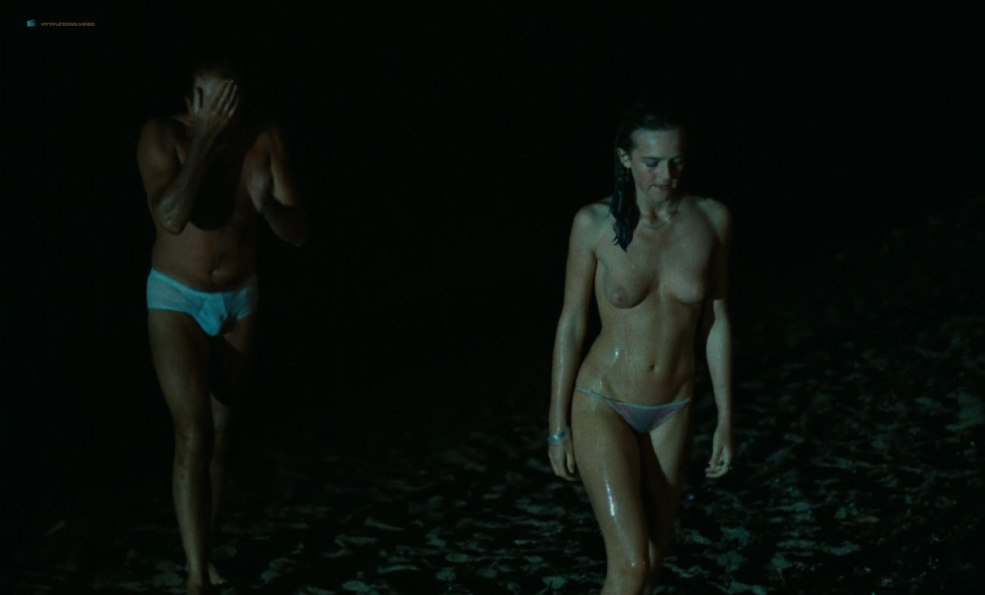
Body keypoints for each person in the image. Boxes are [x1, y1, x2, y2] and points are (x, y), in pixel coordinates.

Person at [136, 57, 308, 594]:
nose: (226, 109)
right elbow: (170, 217)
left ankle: (204, 552)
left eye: (233, 97)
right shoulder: (162, 135)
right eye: (215, 99)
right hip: (177, 299)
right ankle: (196, 579)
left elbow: (299, 231)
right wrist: (205, 140)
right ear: (191, 100)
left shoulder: (264, 137)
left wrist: (268, 208)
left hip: (239, 298)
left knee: (221, 435)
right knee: (193, 434)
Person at [548, 101, 734, 594]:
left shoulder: (712, 219)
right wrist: (557, 425)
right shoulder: (593, 224)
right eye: (652, 163)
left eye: (676, 161)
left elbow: (716, 320)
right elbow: (572, 323)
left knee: (651, 562)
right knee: (630, 565)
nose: (665, 175)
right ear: (625, 159)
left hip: (673, 407)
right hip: (603, 400)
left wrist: (726, 418)